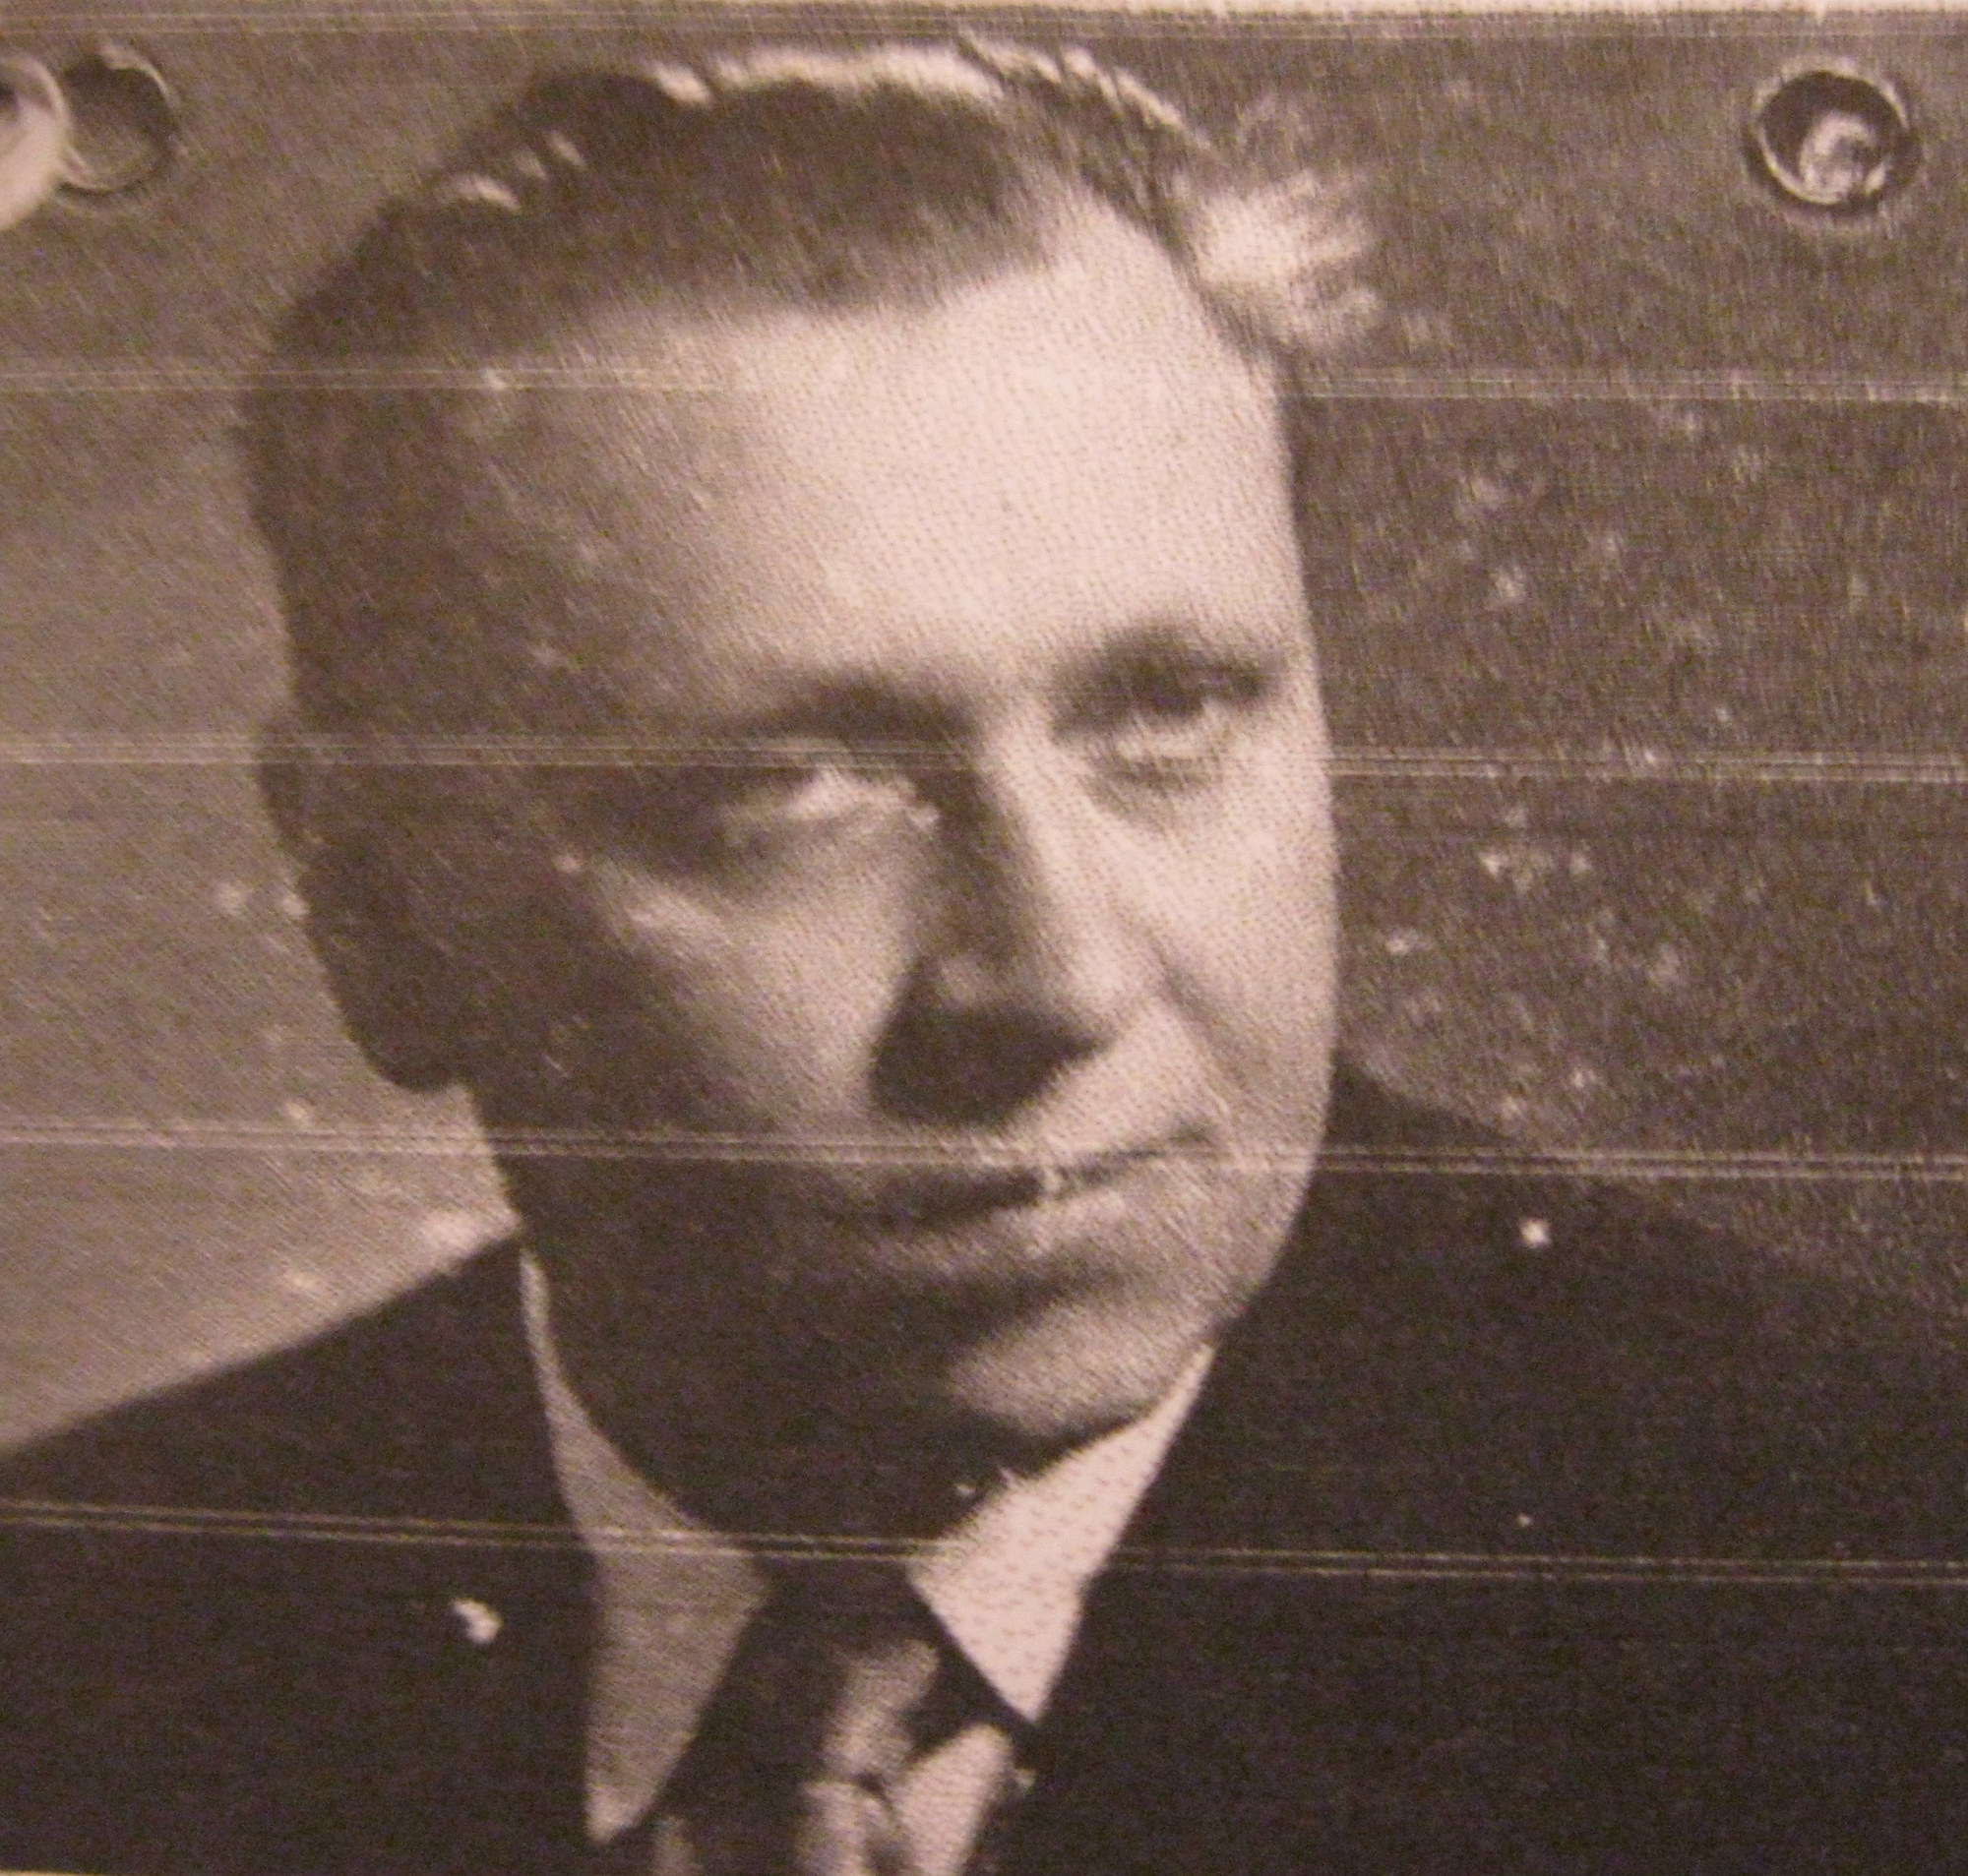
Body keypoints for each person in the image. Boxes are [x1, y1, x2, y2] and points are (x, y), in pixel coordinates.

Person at [2, 39, 1965, 1876]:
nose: (1055, 980)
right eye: (792, 786)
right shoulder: (71, 1640)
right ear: (368, 897)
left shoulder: (1875, 1607)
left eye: (1167, 710)